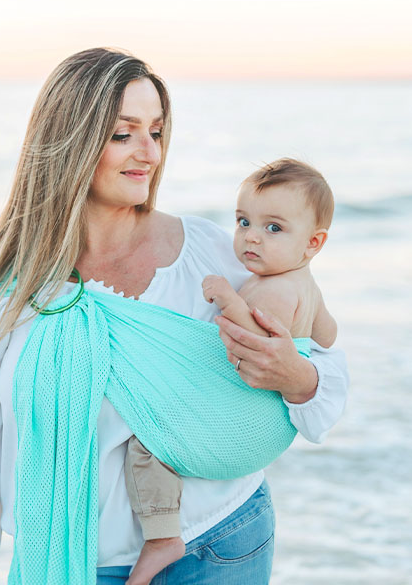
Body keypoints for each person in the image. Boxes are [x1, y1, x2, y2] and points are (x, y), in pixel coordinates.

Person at [0, 48, 349, 585]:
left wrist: (300, 380)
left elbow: (324, 382)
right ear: (70, 144)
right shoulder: (10, 300)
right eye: (124, 134)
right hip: (81, 570)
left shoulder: (216, 254)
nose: (149, 154)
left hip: (223, 543)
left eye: (157, 132)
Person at [124, 158, 338, 585]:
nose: (251, 238)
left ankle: (163, 535)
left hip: (249, 424)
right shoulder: (304, 284)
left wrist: (227, 298)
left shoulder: (275, 288)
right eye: (243, 222)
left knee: (148, 446)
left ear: (313, 243)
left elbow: (252, 336)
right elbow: (327, 338)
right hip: (265, 428)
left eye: (273, 228)